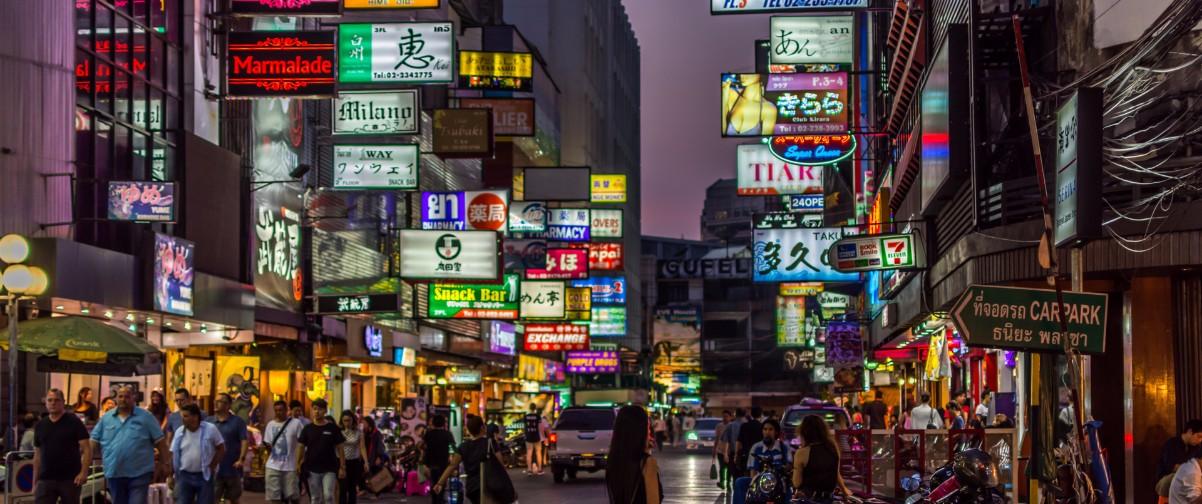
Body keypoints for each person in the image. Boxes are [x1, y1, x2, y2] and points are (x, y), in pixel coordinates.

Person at [90, 385, 170, 504]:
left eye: (127, 396)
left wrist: (165, 464)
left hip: (139, 473)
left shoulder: (146, 417)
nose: (123, 399)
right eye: (120, 396)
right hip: (114, 472)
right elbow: (93, 441)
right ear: (116, 399)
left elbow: (160, 442)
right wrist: (85, 461)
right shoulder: (106, 418)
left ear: (134, 398)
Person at [432, 415, 516, 504]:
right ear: (482, 428)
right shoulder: (490, 443)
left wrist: (439, 483)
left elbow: (452, 465)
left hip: (472, 487)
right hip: (490, 484)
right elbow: (500, 463)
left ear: (469, 430)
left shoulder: (463, 447)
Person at [33, 388, 92, 504]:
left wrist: (84, 472)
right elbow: (37, 454)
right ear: (45, 403)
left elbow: (87, 449)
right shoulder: (40, 425)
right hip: (46, 479)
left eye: (56, 400)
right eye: (50, 400)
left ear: (63, 402)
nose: (53, 403)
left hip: (70, 479)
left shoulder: (74, 422)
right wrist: (35, 480)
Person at [604, 406, 662, 504]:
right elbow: (653, 500)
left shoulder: (613, 460)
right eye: (647, 427)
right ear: (640, 431)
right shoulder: (647, 463)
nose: (649, 431)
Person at [170, 403, 226, 504]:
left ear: (195, 417)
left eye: (186, 416)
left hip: (204, 475)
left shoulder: (210, 429)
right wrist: (171, 474)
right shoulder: (179, 432)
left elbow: (221, 448)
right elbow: (174, 453)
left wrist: (212, 466)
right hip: (184, 476)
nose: (182, 419)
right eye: (182, 416)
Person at [793, 415, 852, 502]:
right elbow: (836, 473)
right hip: (828, 498)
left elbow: (797, 482)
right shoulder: (833, 448)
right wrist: (844, 490)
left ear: (804, 432)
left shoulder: (802, 453)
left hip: (809, 499)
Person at [297, 399, 345, 504]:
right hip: (311, 468)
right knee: (315, 498)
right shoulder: (307, 428)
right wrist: (298, 463)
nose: (317, 412)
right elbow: (300, 446)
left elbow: (340, 448)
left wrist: (342, 467)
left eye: (320, 409)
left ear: (325, 411)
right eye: (314, 409)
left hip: (330, 468)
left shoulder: (333, 428)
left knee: (328, 496)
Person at [207, 393, 249, 504]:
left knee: (234, 499)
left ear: (228, 405)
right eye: (215, 401)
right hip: (213, 468)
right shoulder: (208, 422)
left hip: (232, 467)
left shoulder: (237, 422)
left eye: (220, 401)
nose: (216, 403)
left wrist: (241, 459)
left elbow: (244, 441)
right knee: (213, 499)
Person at [263, 400, 304, 504]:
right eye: (276, 410)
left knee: (293, 495)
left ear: (287, 410)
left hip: (290, 466)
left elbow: (302, 444)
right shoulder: (270, 425)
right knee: (274, 496)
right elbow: (267, 444)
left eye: (281, 410)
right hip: (273, 465)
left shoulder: (296, 423)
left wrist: (300, 461)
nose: (278, 412)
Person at [1159, 420, 1202, 501]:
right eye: (1199, 436)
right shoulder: (1171, 444)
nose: (1200, 440)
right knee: (1189, 480)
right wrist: (1191, 469)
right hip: (1167, 478)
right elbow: (1171, 467)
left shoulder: (1197, 447)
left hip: (1188, 478)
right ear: (1190, 432)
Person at [422, 414, 456, 504]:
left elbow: (424, 448)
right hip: (443, 463)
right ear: (444, 423)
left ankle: (435, 501)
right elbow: (453, 447)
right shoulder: (447, 434)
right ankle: (439, 501)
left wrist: (424, 464)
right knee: (441, 485)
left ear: (433, 423)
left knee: (433, 483)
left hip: (431, 464)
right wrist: (451, 457)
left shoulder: (428, 434)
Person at [337, 411, 366, 504]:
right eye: (344, 421)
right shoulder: (339, 432)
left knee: (352, 488)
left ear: (353, 420)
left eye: (349, 420)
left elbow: (362, 447)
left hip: (354, 462)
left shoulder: (359, 432)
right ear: (341, 421)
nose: (347, 423)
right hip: (341, 462)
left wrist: (366, 462)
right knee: (343, 488)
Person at [736, 407, 764, 477]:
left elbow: (739, 442)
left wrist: (736, 455)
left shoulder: (744, 426)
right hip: (760, 456)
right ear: (761, 415)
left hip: (746, 455)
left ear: (751, 414)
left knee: (747, 475)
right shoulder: (763, 427)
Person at [720, 408, 745, 484]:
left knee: (735, 476)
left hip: (734, 454)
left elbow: (725, 441)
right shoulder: (747, 424)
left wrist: (725, 454)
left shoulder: (730, 425)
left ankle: (736, 492)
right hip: (746, 455)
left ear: (735, 414)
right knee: (744, 476)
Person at [522, 404, 544, 475]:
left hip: (528, 436)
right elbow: (540, 427)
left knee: (529, 453)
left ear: (529, 408)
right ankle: (540, 470)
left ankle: (529, 470)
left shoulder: (526, 416)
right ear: (535, 408)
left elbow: (524, 428)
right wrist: (542, 436)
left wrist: (525, 434)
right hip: (536, 436)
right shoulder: (537, 416)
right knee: (538, 452)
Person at [713, 410, 733, 490]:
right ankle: (722, 482)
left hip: (730, 451)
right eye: (723, 416)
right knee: (722, 467)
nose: (725, 418)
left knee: (729, 468)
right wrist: (714, 449)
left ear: (730, 417)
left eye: (726, 416)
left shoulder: (732, 426)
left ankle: (728, 483)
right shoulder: (719, 426)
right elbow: (717, 438)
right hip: (720, 450)